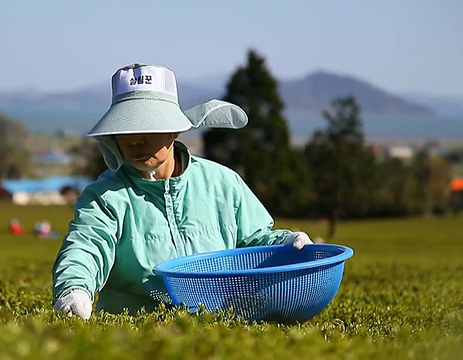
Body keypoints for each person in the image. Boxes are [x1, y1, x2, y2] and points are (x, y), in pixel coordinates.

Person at [52, 63, 314, 320]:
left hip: (217, 326)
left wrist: (286, 243)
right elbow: (87, 247)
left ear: (174, 130)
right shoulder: (105, 196)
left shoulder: (222, 183)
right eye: (126, 128)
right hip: (132, 330)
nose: (135, 140)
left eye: (148, 127)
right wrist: (74, 288)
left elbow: (255, 240)